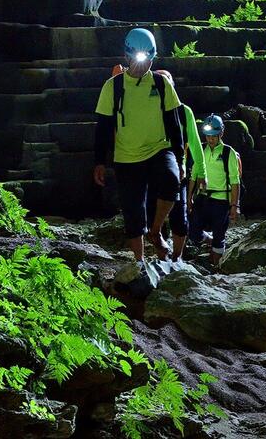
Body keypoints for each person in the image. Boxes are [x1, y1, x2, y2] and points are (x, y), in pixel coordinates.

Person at [92, 28, 184, 261]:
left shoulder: (162, 84)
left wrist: (181, 160)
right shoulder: (113, 87)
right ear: (127, 56)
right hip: (127, 156)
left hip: (158, 149)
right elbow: (103, 127)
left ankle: (155, 232)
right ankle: (139, 262)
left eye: (149, 59)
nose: (143, 65)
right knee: (133, 212)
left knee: (171, 180)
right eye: (139, 59)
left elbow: (174, 125)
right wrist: (99, 162)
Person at [153, 70, 206, 262]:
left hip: (178, 172)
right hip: (153, 172)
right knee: (153, 216)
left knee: (179, 216)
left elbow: (195, 143)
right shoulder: (148, 110)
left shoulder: (184, 111)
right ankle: (161, 256)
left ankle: (177, 257)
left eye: (167, 81)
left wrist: (202, 172)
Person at [188, 114, 241, 268]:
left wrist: (234, 206)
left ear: (221, 134)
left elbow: (235, 181)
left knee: (219, 235)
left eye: (213, 136)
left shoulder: (227, 152)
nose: (210, 139)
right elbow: (194, 176)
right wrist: (189, 198)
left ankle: (216, 267)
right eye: (208, 136)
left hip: (221, 200)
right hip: (203, 197)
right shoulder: (201, 150)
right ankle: (208, 241)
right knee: (193, 232)